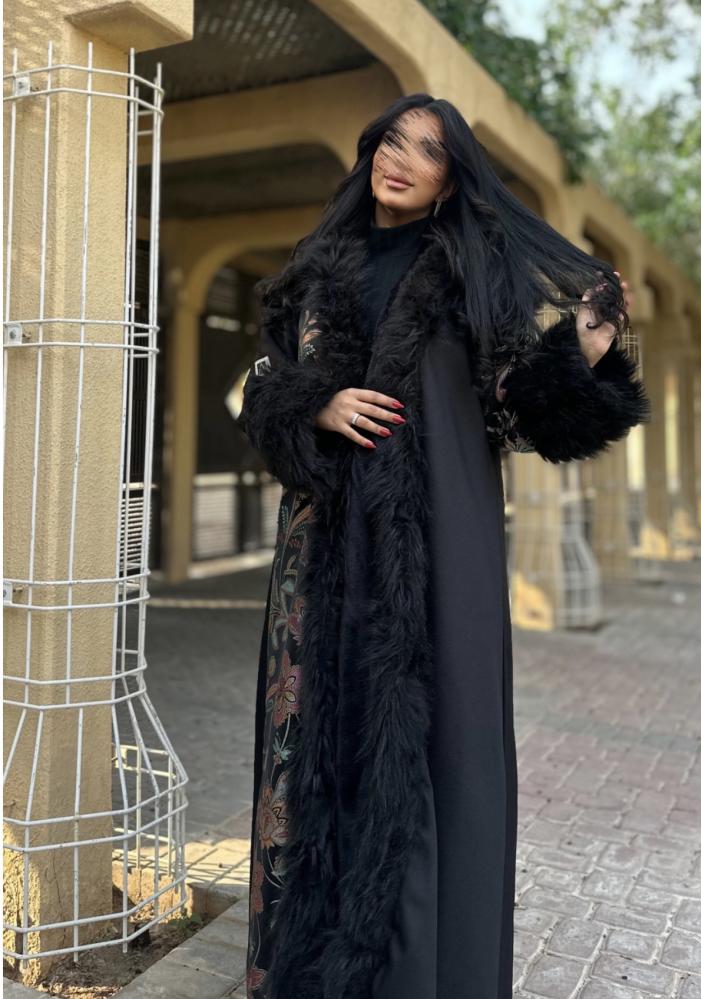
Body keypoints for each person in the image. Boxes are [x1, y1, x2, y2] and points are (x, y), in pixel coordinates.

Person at [237, 94, 650, 999]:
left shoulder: (472, 273)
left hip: (437, 548)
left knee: (435, 750)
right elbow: (260, 388)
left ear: (450, 179)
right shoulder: (315, 267)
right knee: (315, 750)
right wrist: (315, 404)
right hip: (320, 552)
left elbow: (514, 408)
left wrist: (580, 352)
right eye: (392, 139)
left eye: (426, 151)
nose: (400, 159)